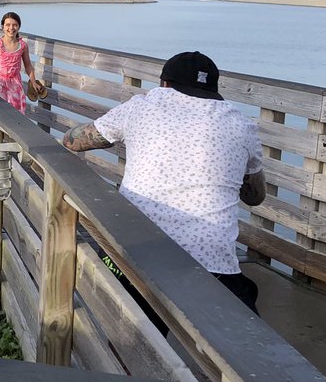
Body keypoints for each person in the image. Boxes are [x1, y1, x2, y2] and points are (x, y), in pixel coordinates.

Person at [62, 50, 266, 314]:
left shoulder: (141, 106)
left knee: (129, 324)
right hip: (211, 260)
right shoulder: (240, 123)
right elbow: (255, 197)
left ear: (165, 84)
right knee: (242, 329)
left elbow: (75, 141)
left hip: (138, 250)